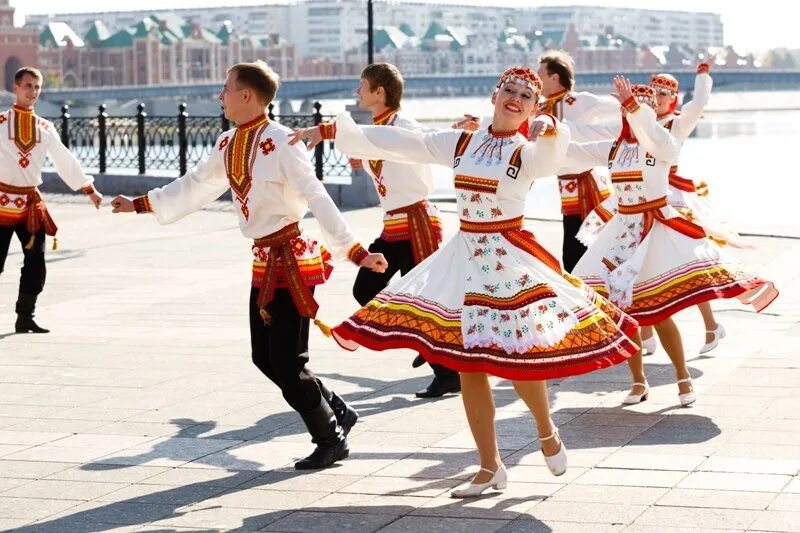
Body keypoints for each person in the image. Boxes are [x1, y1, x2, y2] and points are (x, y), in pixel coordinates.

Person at [290, 66, 639, 496]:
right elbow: (405, 143)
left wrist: (550, 131)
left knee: (517, 358)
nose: (515, 98)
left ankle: (547, 431)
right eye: (509, 90)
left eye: (526, 95)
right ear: (494, 96)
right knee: (468, 363)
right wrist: (331, 130)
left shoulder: (527, 151)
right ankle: (490, 466)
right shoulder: (461, 141)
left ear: (533, 107)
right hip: (465, 257)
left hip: (509, 261)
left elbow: (557, 157)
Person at [111, 61, 387, 470]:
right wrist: (141, 204)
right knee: (265, 358)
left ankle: (330, 439)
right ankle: (336, 410)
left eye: (226, 89)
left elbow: (315, 194)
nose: (220, 96)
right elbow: (195, 184)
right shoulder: (228, 143)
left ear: (247, 96)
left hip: (292, 258)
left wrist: (354, 250)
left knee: (288, 362)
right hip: (263, 259)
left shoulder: (282, 141)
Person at [571, 77, 778, 407]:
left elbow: (678, 118)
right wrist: (542, 132)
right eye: (628, 109)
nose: (633, 113)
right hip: (622, 234)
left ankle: (682, 376)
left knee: (658, 311)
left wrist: (697, 83)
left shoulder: (662, 143)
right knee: (625, 312)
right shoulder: (614, 148)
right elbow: (572, 150)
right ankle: (638, 381)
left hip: (655, 230)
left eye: (642, 107)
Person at [332, 63, 460, 398]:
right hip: (394, 226)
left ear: (380, 92)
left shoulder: (403, 125)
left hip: (417, 222)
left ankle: (447, 371)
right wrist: (364, 158)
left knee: (426, 300)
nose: (357, 91)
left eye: (362, 86)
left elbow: (418, 146)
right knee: (365, 290)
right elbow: (380, 152)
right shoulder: (379, 127)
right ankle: (423, 341)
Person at [0, 67, 102, 333]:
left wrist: (88, 189)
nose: (32, 91)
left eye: (36, 87)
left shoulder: (45, 128)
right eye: (27, 86)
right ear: (15, 87)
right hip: (0, 203)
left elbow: (64, 159)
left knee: (36, 262)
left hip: (31, 206)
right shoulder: (0, 122)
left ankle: (25, 316)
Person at [537, 50, 620, 272]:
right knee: (572, 250)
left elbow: (616, 106)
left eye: (540, 75)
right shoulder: (541, 108)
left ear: (554, 77)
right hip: (566, 185)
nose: (537, 80)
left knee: (592, 244)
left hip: (588, 184)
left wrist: (650, 112)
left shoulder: (578, 101)